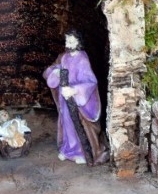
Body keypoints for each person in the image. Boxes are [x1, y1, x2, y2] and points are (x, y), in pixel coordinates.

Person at [44, 31, 109, 165]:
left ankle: (80, 152)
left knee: (77, 124)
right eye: (67, 40)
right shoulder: (64, 57)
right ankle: (68, 149)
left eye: (71, 41)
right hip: (64, 98)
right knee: (67, 123)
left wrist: (74, 90)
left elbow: (90, 82)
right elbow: (53, 69)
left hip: (77, 100)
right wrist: (55, 72)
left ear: (78, 42)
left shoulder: (82, 60)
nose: (68, 43)